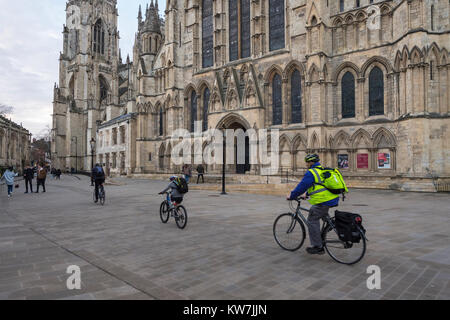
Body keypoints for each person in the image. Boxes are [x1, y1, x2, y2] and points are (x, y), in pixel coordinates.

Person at [287, 154, 340, 255]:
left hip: (323, 201)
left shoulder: (311, 172)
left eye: (307, 162)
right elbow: (319, 186)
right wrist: (306, 194)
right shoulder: (321, 170)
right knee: (322, 215)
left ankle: (318, 246)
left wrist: (292, 196)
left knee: (312, 219)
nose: (306, 164)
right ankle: (328, 229)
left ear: (311, 162)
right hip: (331, 199)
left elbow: (301, 186)